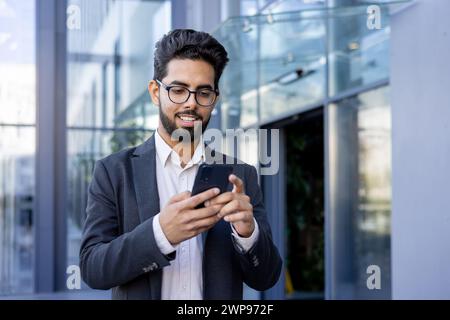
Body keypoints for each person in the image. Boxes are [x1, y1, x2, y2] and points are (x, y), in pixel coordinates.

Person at [79, 29, 282, 300]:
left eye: (203, 93)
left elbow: (266, 277)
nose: (191, 104)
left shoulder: (241, 174)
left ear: (214, 100)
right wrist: (161, 234)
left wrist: (248, 234)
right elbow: (93, 268)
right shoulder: (113, 171)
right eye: (178, 90)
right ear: (155, 92)